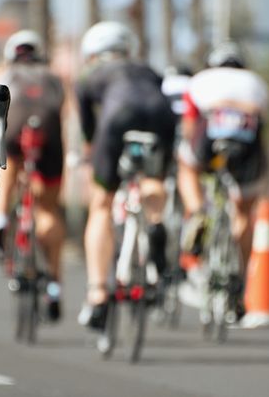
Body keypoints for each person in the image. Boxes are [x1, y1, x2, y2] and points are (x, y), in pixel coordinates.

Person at [74, 22, 176, 330]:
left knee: (102, 204)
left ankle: (97, 295)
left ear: (91, 53)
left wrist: (91, 156)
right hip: (161, 115)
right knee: (153, 184)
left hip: (119, 115)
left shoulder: (89, 74)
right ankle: (156, 227)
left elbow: (89, 130)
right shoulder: (146, 68)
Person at [176, 41, 269, 318]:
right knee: (243, 211)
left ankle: (197, 212)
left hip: (209, 136)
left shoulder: (200, 81)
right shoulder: (257, 83)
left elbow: (189, 126)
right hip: (246, 143)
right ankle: (238, 278)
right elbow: (263, 123)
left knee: (187, 167)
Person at [0, 30, 66, 321]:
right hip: (48, 133)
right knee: (48, 208)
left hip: (15, 127)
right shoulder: (52, 75)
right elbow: (61, 113)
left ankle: (0, 222)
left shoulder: (1, 71)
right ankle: (54, 284)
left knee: (8, 170)